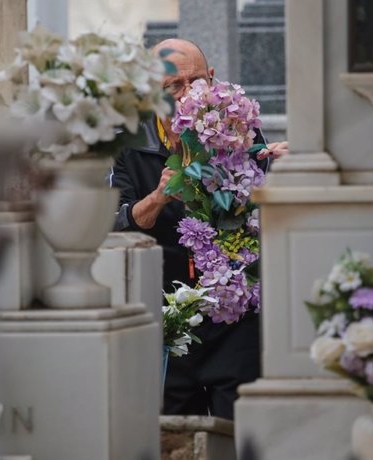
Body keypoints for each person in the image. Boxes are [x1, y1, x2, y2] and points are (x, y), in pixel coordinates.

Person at [110, 38, 287, 420]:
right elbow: (119, 223)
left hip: (232, 313)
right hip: (167, 317)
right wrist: (158, 196)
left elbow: (254, 206)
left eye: (196, 82)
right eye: (173, 86)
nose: (187, 95)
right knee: (173, 431)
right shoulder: (129, 143)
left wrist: (284, 169)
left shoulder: (237, 128)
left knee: (240, 426)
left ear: (213, 79)